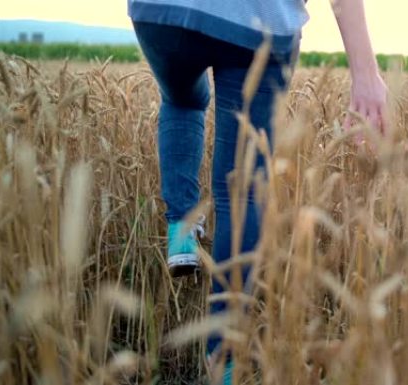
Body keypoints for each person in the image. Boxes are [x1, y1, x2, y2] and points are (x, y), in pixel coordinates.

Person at [127, 0, 387, 382]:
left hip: (164, 13)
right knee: (242, 191)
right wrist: (365, 74)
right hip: (261, 21)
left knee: (183, 100)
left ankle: (181, 230)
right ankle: (224, 363)